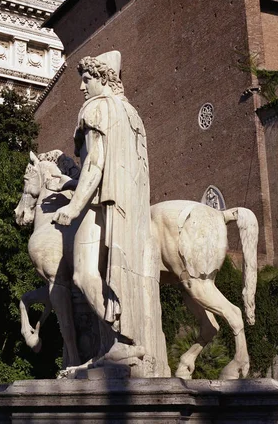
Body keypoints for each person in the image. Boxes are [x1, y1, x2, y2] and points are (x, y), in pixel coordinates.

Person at [52, 51, 169, 376]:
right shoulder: (130, 114)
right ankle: (118, 345)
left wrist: (73, 206)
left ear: (103, 79)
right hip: (127, 207)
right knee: (108, 275)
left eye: (86, 80)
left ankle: (122, 342)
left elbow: (94, 162)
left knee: (83, 275)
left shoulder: (97, 108)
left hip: (99, 202)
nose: (81, 88)